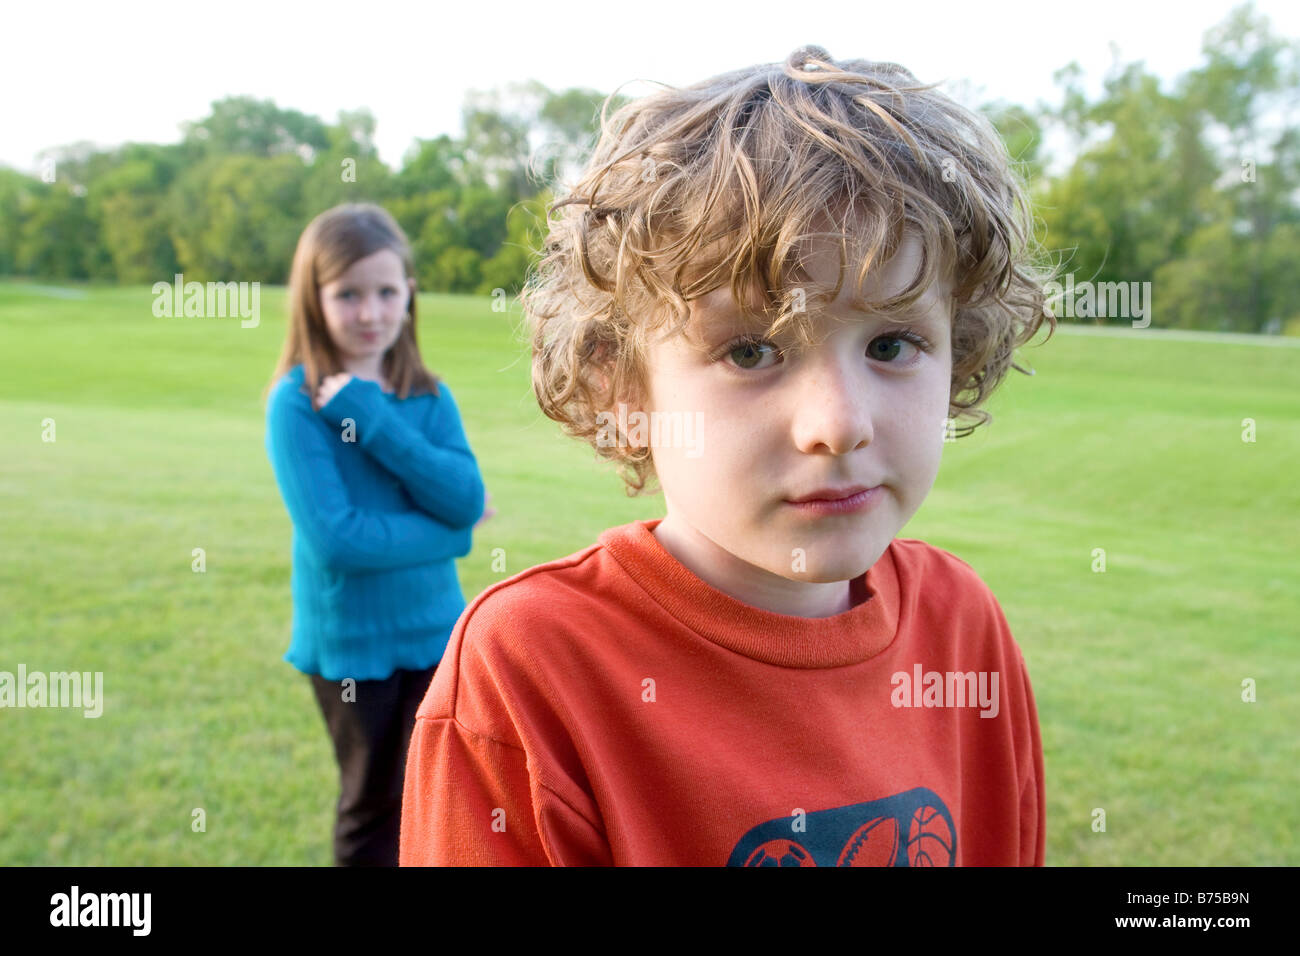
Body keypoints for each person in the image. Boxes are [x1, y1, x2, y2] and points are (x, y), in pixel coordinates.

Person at [400, 47, 1055, 866]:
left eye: (892, 342)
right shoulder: (533, 670)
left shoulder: (962, 629)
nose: (837, 426)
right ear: (621, 387)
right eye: (751, 351)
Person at [263, 203, 490, 866]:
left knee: (438, 796)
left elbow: (465, 496)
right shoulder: (297, 402)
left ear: (409, 295)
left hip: (436, 634)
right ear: (315, 298)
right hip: (352, 648)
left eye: (386, 292)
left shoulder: (426, 394)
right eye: (348, 295)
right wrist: (454, 538)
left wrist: (374, 419)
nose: (370, 313)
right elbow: (340, 540)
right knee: (372, 807)